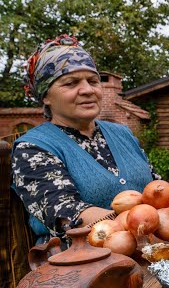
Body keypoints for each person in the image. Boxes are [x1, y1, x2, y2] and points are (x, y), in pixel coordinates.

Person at [11, 33, 159, 247]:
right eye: (71, 83)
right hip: (78, 269)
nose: (88, 90)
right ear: (46, 96)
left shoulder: (123, 134)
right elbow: (67, 214)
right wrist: (147, 222)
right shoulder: (33, 148)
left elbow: (157, 188)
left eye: (93, 81)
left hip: (148, 251)